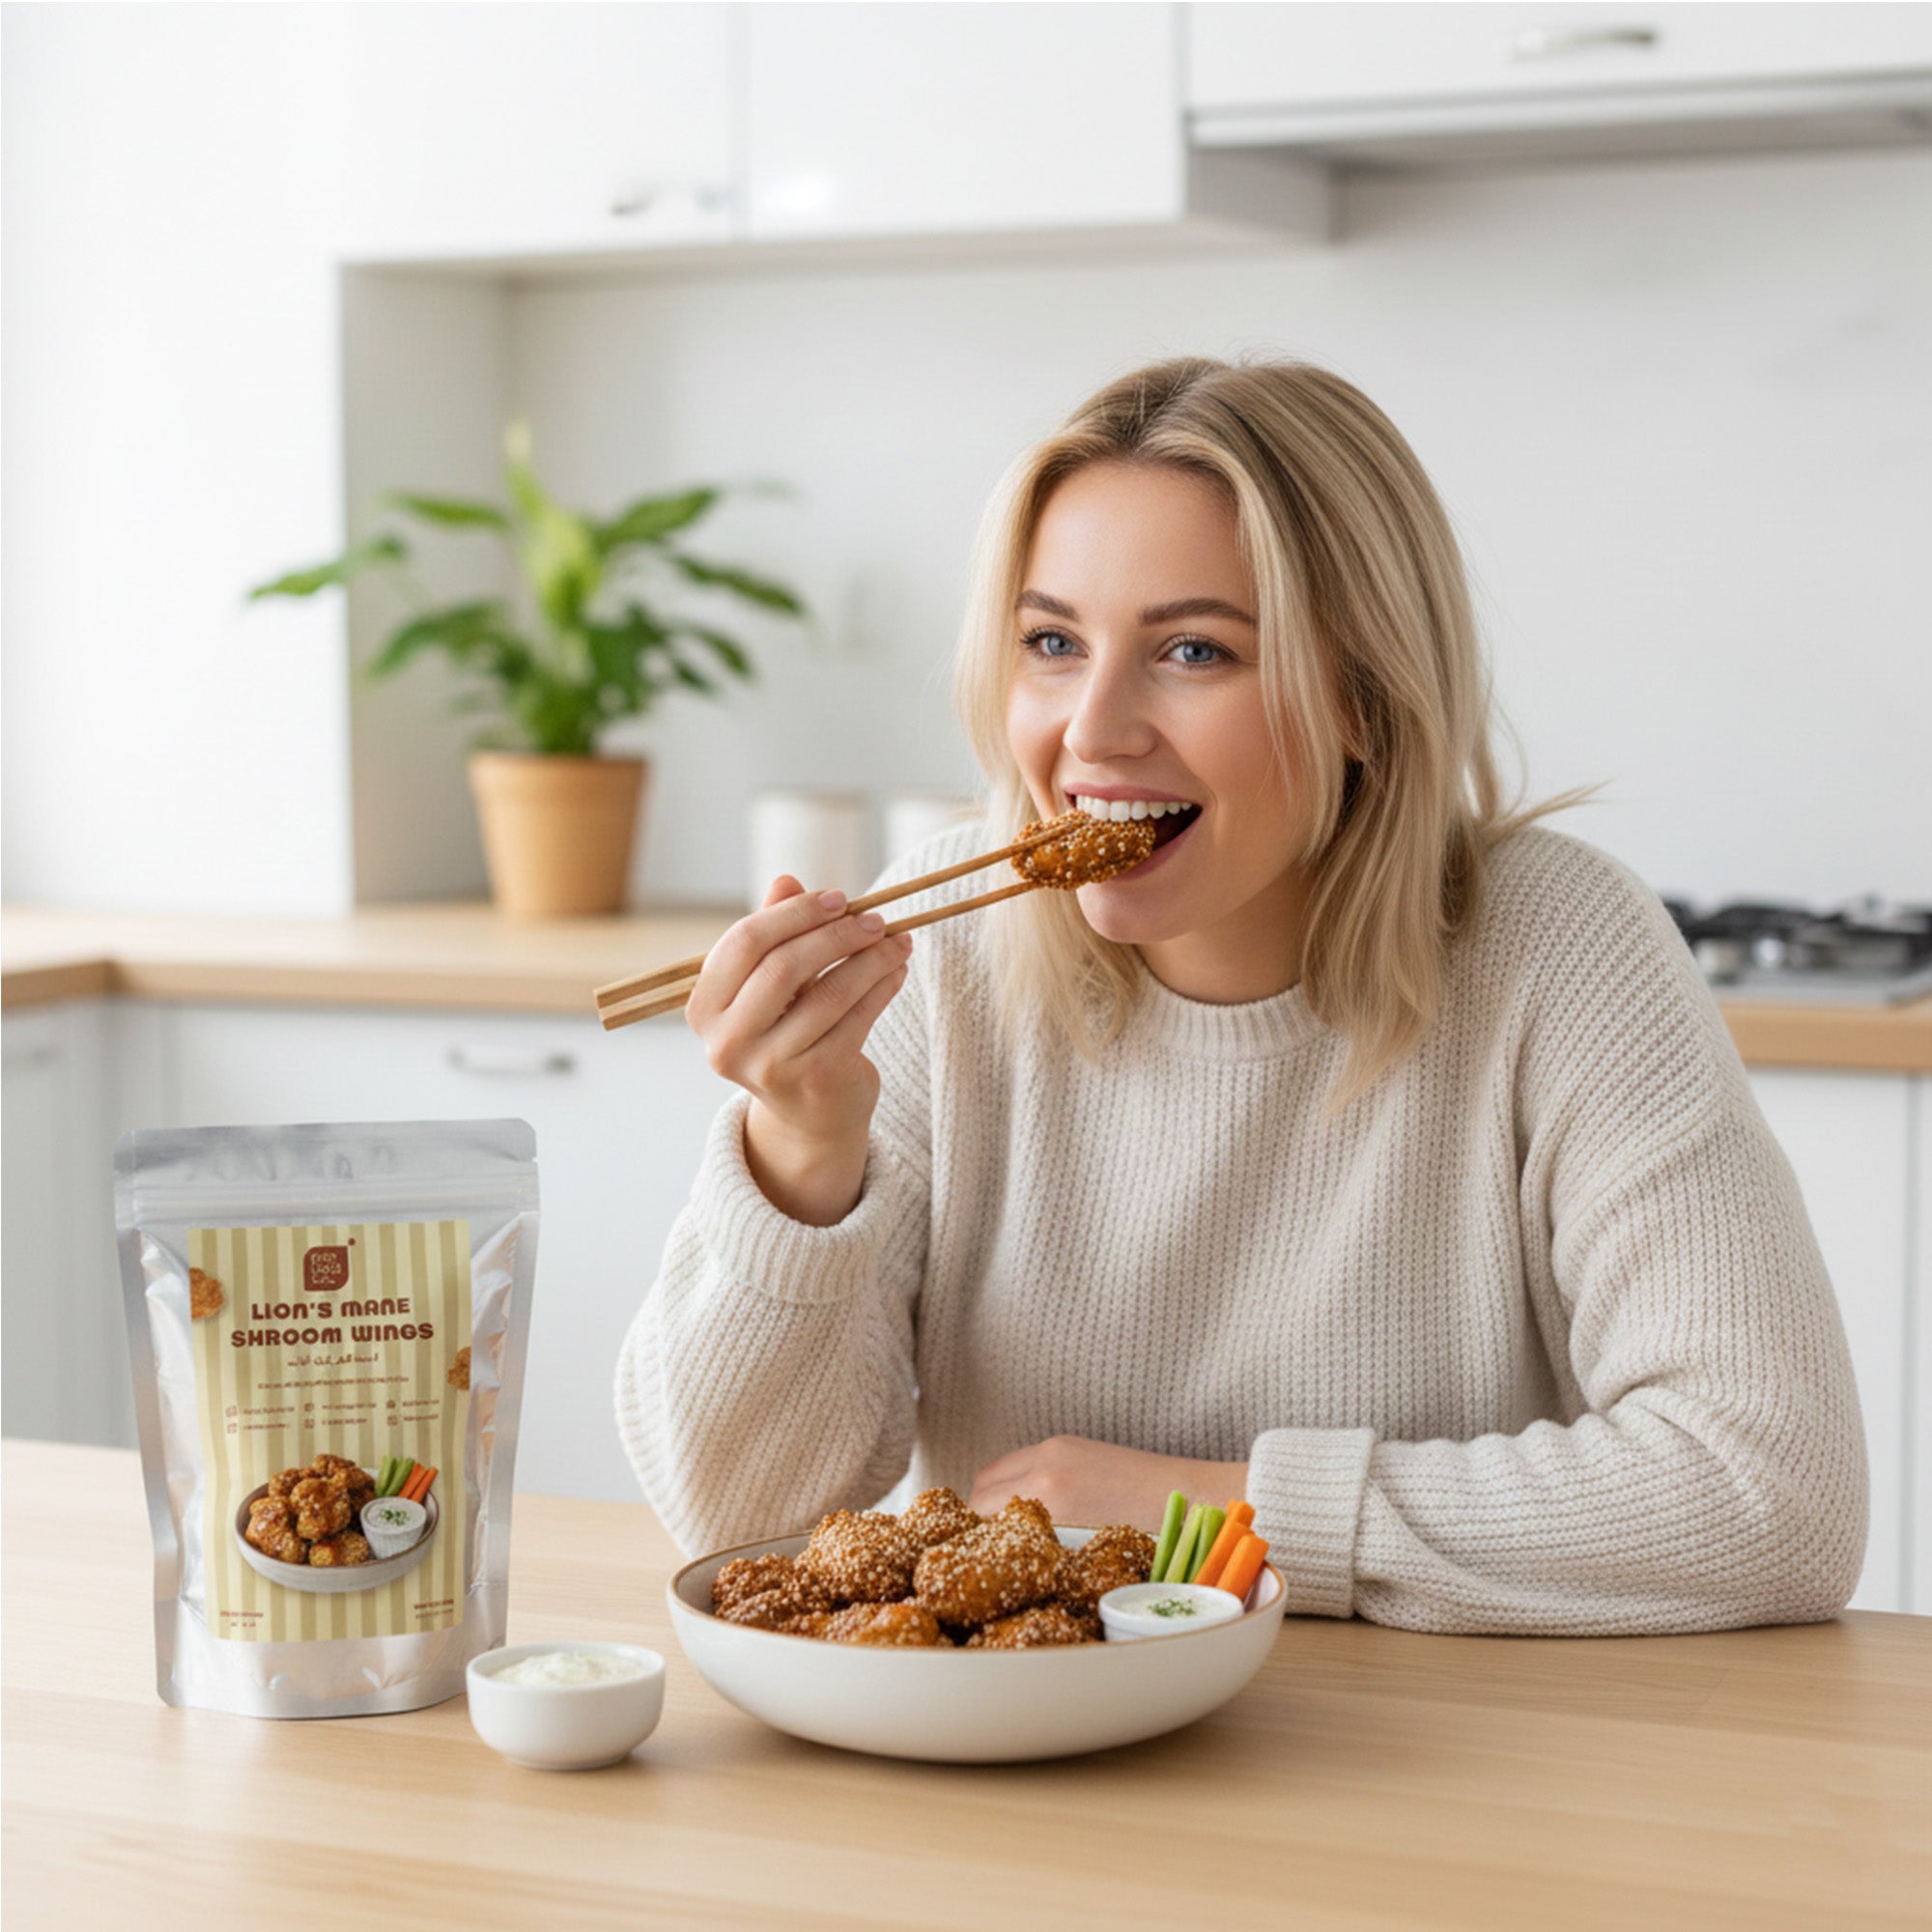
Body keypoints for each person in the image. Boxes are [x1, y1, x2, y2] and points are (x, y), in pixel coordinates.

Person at [616, 356, 1867, 1634]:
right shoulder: (946, 953)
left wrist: (1224, 1515)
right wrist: (802, 1151)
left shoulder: (1560, 945)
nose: (1093, 730)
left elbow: (1772, 1495)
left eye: (1193, 650)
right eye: (1052, 643)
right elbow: (737, 1521)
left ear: (1361, 697)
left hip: (1444, 1737)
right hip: (1036, 1735)